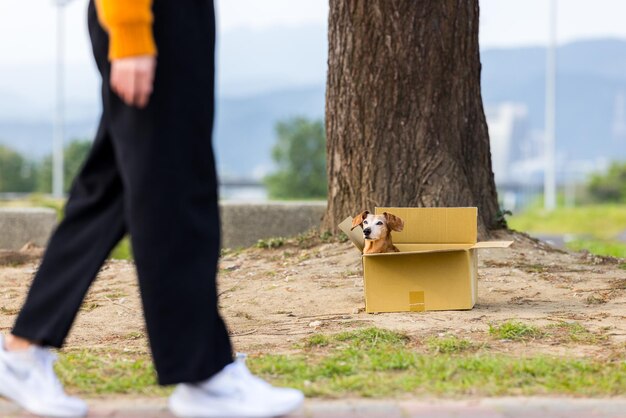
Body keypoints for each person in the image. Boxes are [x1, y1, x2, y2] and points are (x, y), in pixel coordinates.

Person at [0, 0, 304, 417]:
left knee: (113, 192)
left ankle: (25, 349)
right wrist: (130, 30)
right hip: (154, 18)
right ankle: (204, 377)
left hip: (167, 19)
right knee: (174, 192)